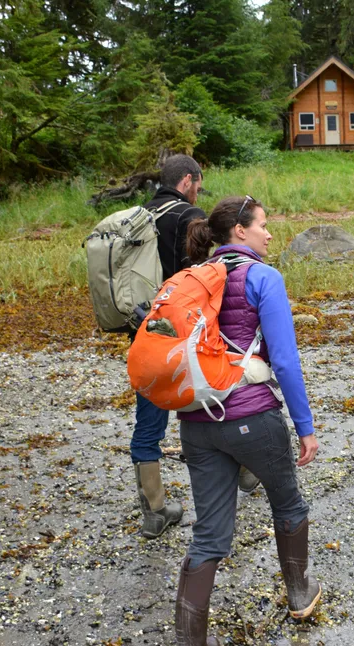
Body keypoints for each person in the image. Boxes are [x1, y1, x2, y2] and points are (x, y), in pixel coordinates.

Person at [170, 195, 321, 646]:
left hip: (196, 422)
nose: (269, 234)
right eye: (263, 225)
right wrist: (305, 426)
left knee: (210, 532)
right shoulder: (263, 278)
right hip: (253, 418)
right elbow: (286, 362)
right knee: (288, 504)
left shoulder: (190, 280)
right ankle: (299, 597)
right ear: (239, 230)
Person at [131, 154, 207, 538]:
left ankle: (155, 509)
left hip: (143, 335)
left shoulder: (137, 216)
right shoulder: (189, 216)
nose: (198, 192)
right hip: (183, 335)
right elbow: (202, 277)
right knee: (217, 399)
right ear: (188, 181)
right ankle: (244, 475)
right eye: (198, 185)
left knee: (149, 421)